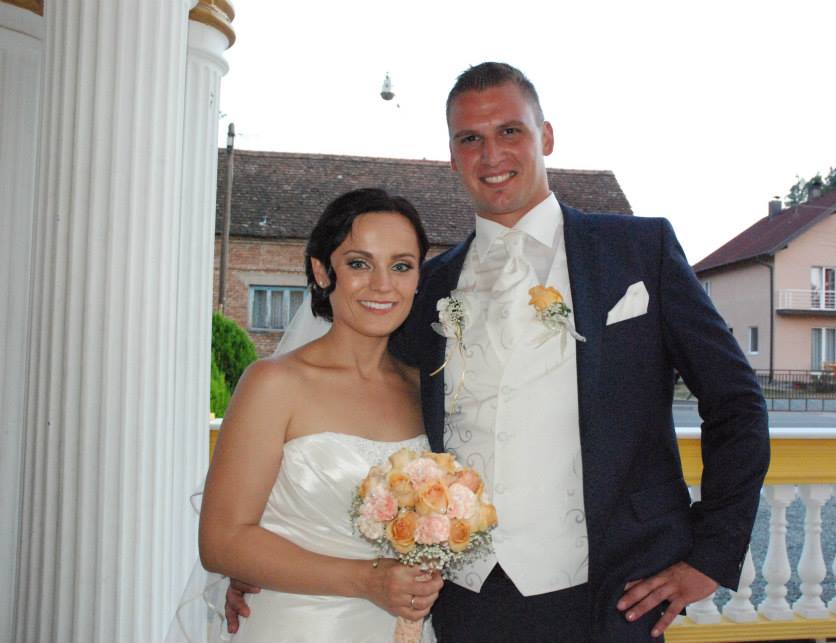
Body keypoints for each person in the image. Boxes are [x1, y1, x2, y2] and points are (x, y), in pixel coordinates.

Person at [229, 63, 769, 642]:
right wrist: (274, 551)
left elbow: (735, 403)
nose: (491, 154)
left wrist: (710, 556)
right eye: (470, 139)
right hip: (461, 601)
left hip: (613, 593)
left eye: (510, 131)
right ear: (452, 155)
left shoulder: (639, 250)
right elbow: (359, 410)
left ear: (546, 136)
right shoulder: (426, 286)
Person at [200, 188, 444, 642]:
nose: (382, 284)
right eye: (359, 263)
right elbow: (221, 542)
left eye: (401, 266)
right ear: (321, 270)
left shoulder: (423, 387)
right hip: (299, 625)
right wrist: (368, 580)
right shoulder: (274, 383)